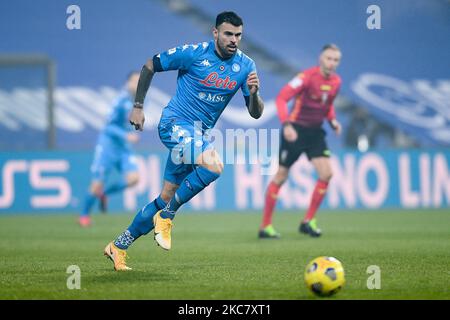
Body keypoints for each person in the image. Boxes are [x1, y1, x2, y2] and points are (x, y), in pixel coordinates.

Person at [104, 11, 264, 271]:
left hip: (197, 135)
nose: (233, 39)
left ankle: (119, 246)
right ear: (215, 33)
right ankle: (167, 217)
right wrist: (138, 106)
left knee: (166, 195)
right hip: (174, 124)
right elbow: (150, 65)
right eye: (228, 34)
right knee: (214, 166)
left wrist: (255, 94)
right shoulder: (194, 53)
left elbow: (255, 112)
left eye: (238, 35)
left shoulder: (246, 66)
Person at [259, 44, 342, 239]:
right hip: (295, 131)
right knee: (281, 176)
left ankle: (308, 221)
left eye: (336, 60)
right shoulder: (306, 77)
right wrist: (286, 125)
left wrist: (332, 121)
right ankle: (265, 226)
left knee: (327, 173)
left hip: (315, 134)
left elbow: (327, 105)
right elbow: (281, 99)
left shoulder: (337, 82)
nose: (332, 63)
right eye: (329, 58)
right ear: (321, 58)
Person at [78, 72, 140, 227]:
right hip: (108, 146)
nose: (137, 84)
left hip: (123, 148)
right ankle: (84, 215)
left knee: (134, 178)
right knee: (97, 183)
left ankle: (104, 194)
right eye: (134, 81)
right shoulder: (120, 101)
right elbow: (108, 126)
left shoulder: (139, 101)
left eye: (140, 81)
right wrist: (125, 135)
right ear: (128, 83)